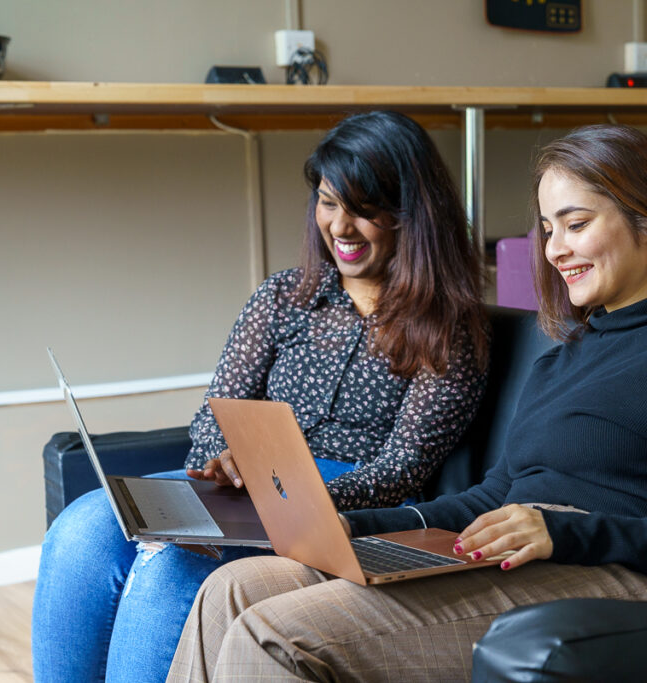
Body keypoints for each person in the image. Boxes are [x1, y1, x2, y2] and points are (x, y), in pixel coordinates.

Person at [165, 124, 647, 682]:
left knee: (272, 634)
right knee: (231, 590)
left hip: (621, 577)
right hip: (527, 552)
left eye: (576, 225)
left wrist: (565, 531)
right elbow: (491, 499)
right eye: (548, 229)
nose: (555, 250)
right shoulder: (566, 357)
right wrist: (344, 528)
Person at [31, 110, 490, 683]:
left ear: (410, 215)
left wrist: (289, 496)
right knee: (81, 528)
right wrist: (220, 460)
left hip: (339, 508)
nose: (341, 227)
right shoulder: (283, 297)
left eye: (363, 209)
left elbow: (403, 467)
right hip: (237, 490)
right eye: (327, 202)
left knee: (170, 566)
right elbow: (215, 412)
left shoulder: (447, 328)